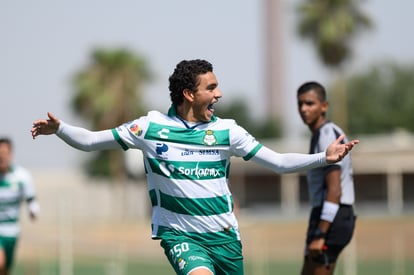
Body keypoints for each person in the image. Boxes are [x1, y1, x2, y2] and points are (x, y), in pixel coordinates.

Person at [31, 59, 358, 275]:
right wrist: (59, 129)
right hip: (181, 237)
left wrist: (322, 159)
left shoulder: (228, 131)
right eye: (211, 88)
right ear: (189, 93)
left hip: (225, 238)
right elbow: (90, 140)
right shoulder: (149, 128)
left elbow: (278, 162)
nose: (219, 93)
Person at [297, 81, 357, 275]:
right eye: (300, 104)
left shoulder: (327, 134)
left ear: (324, 106)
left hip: (332, 216)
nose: (303, 109)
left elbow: (334, 189)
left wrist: (321, 233)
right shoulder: (320, 134)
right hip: (328, 214)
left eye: (310, 103)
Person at [0, 137, 40, 275]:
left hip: (12, 232)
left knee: (5, 269)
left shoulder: (22, 176)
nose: (2, 158)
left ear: (11, 154)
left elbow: (31, 199)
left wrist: (33, 210)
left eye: (5, 154)